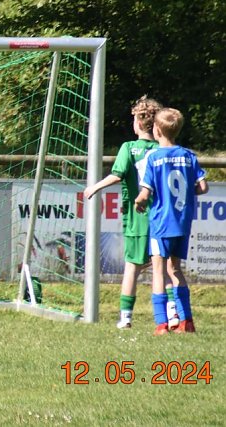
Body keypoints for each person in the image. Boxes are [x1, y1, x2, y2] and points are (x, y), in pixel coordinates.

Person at [83, 96, 178, 329]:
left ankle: (125, 318)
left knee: (132, 268)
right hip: (162, 218)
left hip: (138, 217)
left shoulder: (128, 148)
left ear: (138, 123)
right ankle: (173, 314)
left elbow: (117, 175)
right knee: (165, 268)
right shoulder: (163, 149)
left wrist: (94, 187)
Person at [134, 108, 208, 335]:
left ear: (156, 130)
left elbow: (145, 193)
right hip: (182, 223)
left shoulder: (153, 158)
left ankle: (162, 323)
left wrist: (138, 202)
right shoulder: (188, 156)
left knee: (159, 271)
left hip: (161, 223)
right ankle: (187, 322)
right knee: (175, 269)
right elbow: (203, 187)